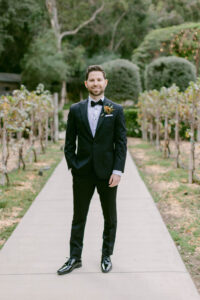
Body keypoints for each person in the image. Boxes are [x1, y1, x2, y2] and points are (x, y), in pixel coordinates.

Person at [57, 65, 127, 275]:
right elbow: (69, 143)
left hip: (108, 173)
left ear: (105, 83)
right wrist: (74, 166)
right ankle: (74, 257)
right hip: (82, 173)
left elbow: (121, 144)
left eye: (99, 80)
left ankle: (106, 256)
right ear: (86, 84)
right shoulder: (76, 109)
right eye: (92, 80)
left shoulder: (115, 110)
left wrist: (118, 171)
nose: (96, 83)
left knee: (110, 217)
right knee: (79, 216)